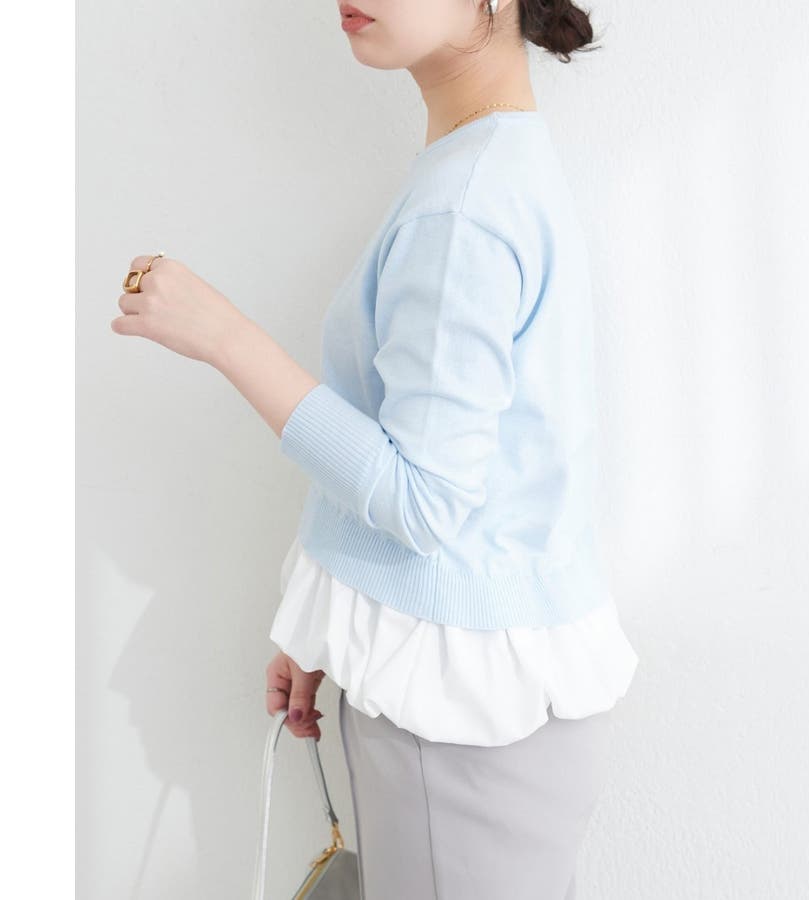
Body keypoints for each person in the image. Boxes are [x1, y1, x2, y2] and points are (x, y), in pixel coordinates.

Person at [112, 2, 639, 897]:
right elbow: (465, 474)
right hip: (468, 711)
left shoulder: (465, 207)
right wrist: (336, 624)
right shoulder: (480, 166)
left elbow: (425, 498)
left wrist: (225, 336)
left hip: (464, 735)